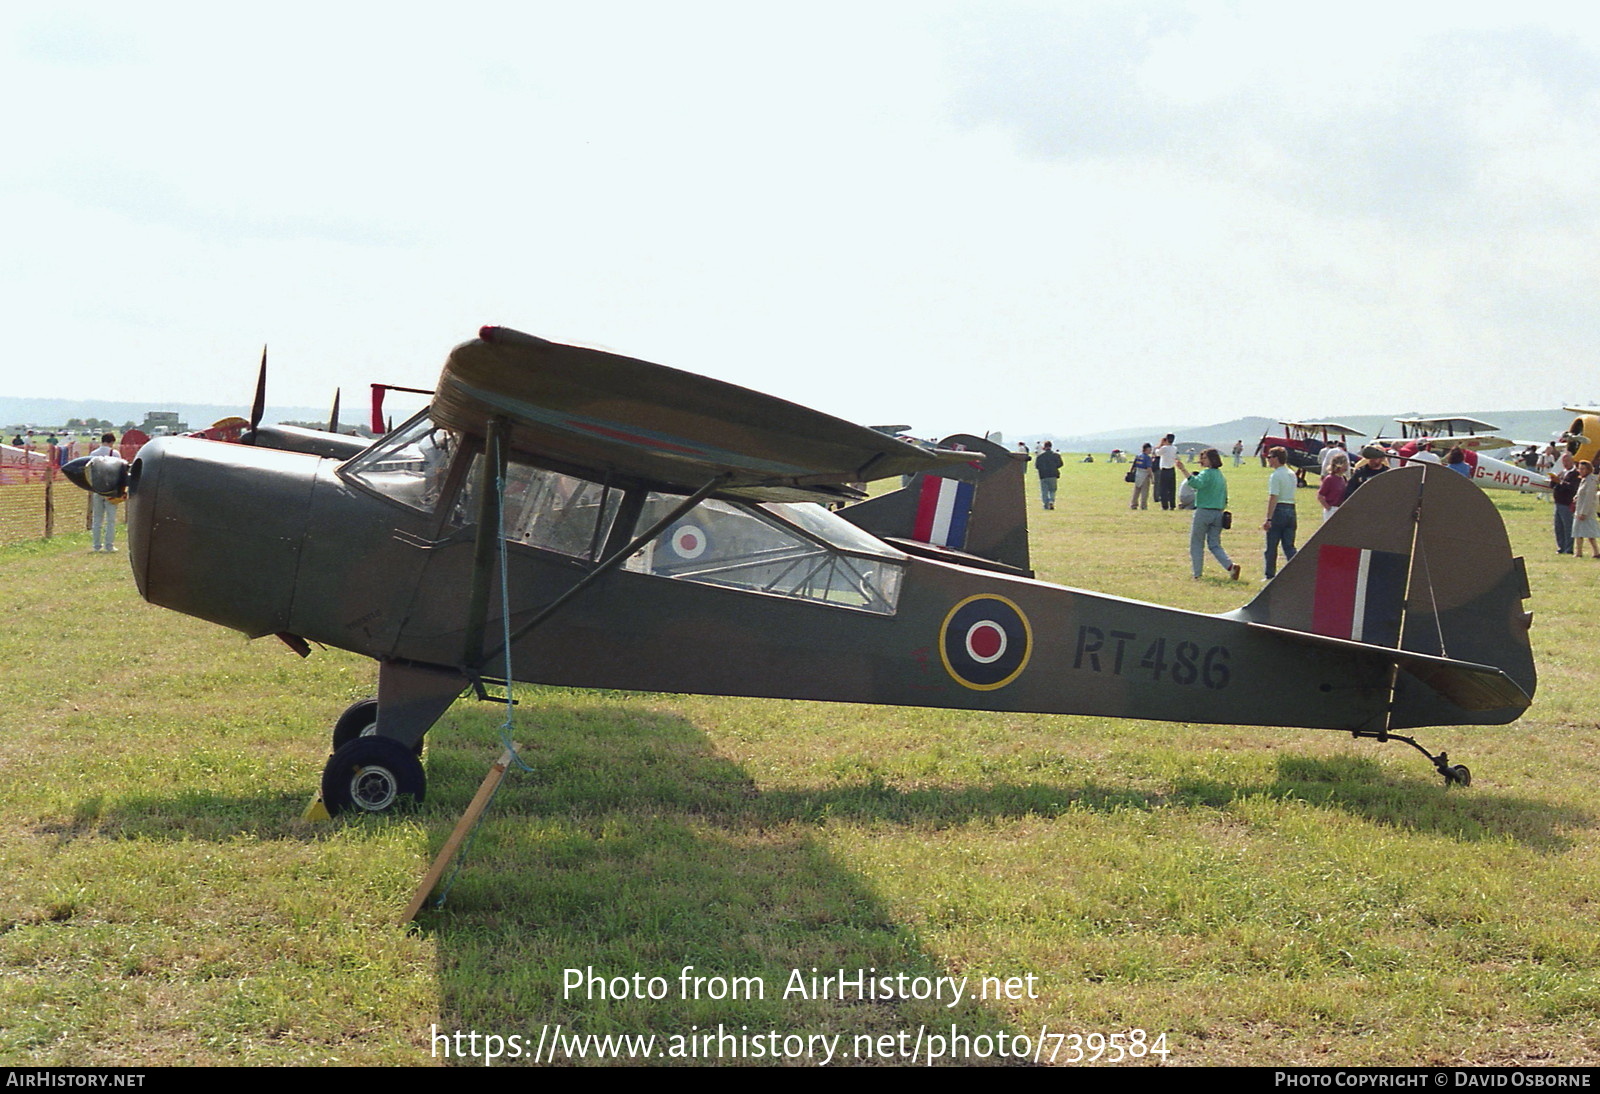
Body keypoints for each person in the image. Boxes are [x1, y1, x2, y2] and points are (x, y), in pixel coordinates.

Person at [1174, 448, 1240, 581]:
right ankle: (1230, 566)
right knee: (1214, 544)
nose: (1201, 460)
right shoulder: (1220, 475)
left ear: (1211, 459)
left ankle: (1197, 574)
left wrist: (1183, 470)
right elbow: (1225, 496)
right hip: (1218, 513)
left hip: (1204, 512)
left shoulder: (1207, 473)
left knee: (1197, 543)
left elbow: (1195, 483)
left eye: (1204, 458)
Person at [1261, 446, 1298, 579]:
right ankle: (1297, 571)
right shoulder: (1291, 473)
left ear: (1276, 459)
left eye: (1270, 457)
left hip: (1279, 509)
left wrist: (1268, 518)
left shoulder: (1276, 475)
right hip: (1291, 509)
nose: (1268, 460)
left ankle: (1269, 574)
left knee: (1272, 546)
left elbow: (1274, 496)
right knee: (1289, 546)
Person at [88, 432, 119, 553]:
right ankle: (109, 545)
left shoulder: (93, 454)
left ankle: (96, 545)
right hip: (111, 489)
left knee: (97, 519)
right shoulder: (114, 453)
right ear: (112, 442)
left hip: (97, 489)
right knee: (110, 519)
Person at [1551, 452, 1579, 555]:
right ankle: (1561, 547)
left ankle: (1568, 548)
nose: (1565, 463)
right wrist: (1554, 480)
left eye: (1567, 461)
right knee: (1558, 527)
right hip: (1558, 503)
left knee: (1568, 526)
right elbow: (1553, 486)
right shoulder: (1562, 472)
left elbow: (1572, 488)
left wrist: (1560, 482)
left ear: (1572, 460)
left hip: (1567, 503)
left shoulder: (1576, 474)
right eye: (1564, 461)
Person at [1574, 461, 1599, 558]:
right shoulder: (1583, 480)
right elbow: (1581, 492)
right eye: (1579, 469)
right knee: (1578, 531)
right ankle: (1579, 552)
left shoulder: (1591, 480)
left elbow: (1589, 497)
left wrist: (1583, 513)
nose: (1580, 471)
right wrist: (1576, 497)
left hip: (1586, 511)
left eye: (1583, 469)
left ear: (1588, 469)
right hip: (1579, 508)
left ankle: (1596, 552)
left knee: (1589, 533)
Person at [1318, 453, 1349, 521]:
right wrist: (1329, 508)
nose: (1347, 466)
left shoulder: (1343, 478)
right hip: (1332, 509)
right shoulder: (1330, 479)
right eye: (1345, 463)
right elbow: (1320, 496)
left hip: (1341, 508)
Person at [1035, 441, 1063, 510]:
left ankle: (1045, 504)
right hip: (1053, 475)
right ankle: (1051, 501)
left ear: (1044, 447)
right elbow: (1060, 464)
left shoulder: (1040, 457)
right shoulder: (1056, 455)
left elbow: (1037, 466)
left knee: (1044, 491)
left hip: (1043, 475)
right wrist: (1054, 467)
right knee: (1052, 490)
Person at [1154, 434, 1178, 511]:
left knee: (1163, 489)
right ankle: (1172, 505)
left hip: (1164, 470)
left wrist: (1160, 444)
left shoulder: (1164, 448)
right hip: (1172, 469)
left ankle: (1165, 505)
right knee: (1172, 488)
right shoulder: (1174, 448)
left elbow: (1156, 453)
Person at [1128, 443, 1154, 510]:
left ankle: (1133, 504)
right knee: (1144, 492)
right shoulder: (1147, 458)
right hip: (1144, 474)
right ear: (1147, 449)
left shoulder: (1138, 456)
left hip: (1138, 474)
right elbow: (1149, 468)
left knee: (1136, 491)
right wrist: (1152, 477)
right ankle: (1143, 505)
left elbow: (1134, 465)